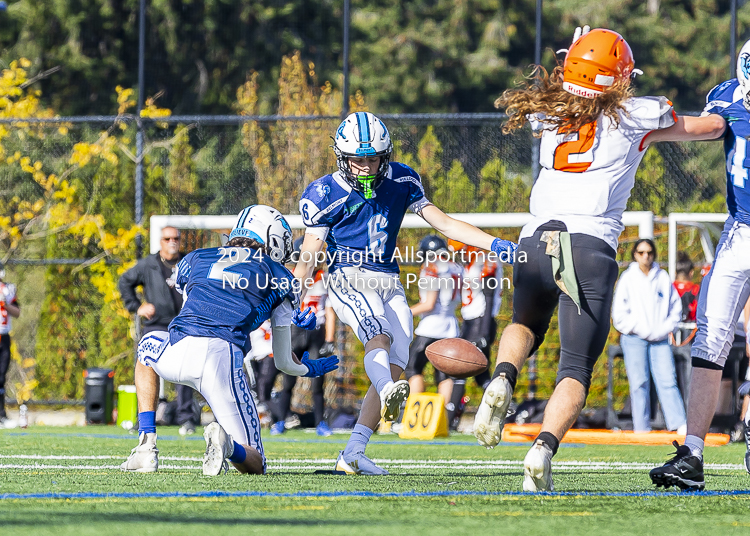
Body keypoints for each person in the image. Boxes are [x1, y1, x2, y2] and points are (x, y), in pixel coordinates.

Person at [472, 26, 726, 491]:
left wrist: (580, 62)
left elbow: (581, 90)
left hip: (535, 239)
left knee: (523, 323)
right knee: (574, 368)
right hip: (588, 246)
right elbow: (707, 127)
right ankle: (543, 447)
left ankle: (503, 376)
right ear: (618, 79)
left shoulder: (547, 113)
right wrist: (731, 110)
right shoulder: (632, 115)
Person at [294, 111, 516, 475]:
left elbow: (442, 221)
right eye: (357, 159)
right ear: (342, 156)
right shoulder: (323, 193)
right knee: (377, 335)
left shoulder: (401, 178)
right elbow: (309, 254)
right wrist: (293, 295)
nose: (365, 167)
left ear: (385, 155)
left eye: (373, 158)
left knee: (396, 361)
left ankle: (353, 451)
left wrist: (494, 243)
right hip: (347, 275)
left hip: (387, 276)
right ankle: (385, 393)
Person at [121, 205, 339, 475]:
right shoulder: (281, 277)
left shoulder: (197, 257)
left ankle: (146, 446)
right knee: (254, 463)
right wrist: (307, 368)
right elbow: (283, 361)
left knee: (147, 346)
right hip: (221, 360)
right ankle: (226, 445)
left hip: (178, 352)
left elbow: (187, 289)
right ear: (271, 239)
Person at [648, 39, 750, 492]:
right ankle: (692, 454)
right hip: (740, 229)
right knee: (709, 333)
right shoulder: (730, 95)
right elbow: (708, 127)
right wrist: (646, 129)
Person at [118, 225, 199, 436]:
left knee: (185, 371)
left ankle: (186, 419)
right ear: (160, 241)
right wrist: (137, 307)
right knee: (147, 368)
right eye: (167, 238)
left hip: (183, 323)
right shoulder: (149, 265)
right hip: (156, 324)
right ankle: (144, 419)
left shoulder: (188, 262)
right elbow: (125, 281)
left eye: (176, 238)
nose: (172, 241)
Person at [611, 239, 686, 434]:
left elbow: (675, 308)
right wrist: (638, 328)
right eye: (641, 252)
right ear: (635, 255)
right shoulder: (628, 278)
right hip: (634, 339)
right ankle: (641, 428)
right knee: (639, 383)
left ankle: (678, 424)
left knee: (668, 380)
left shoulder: (662, 277)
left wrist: (663, 329)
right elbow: (619, 314)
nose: (646, 256)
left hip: (660, 340)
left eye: (649, 252)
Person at [269, 237, 336, 437]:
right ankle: (280, 420)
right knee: (288, 379)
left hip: (316, 333)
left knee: (318, 381)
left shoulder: (324, 278)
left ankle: (320, 423)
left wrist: (330, 340)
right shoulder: (291, 277)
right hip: (295, 332)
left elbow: (330, 311)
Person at [404, 235, 463, 413]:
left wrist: (404, 313)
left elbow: (428, 304)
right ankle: (442, 418)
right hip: (451, 326)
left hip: (431, 326)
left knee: (413, 368)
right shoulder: (456, 268)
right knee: (444, 374)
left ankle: (414, 414)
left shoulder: (432, 268)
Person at [448, 239, 501, 430]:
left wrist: (485, 331)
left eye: (461, 251)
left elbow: (488, 295)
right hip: (471, 322)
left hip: (482, 321)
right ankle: (506, 409)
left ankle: (449, 420)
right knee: (482, 377)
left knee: (460, 370)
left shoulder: (485, 260)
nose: (459, 256)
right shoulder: (470, 263)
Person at [0, 262, 20, 429]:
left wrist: (4, 303)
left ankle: (1, 416)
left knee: (1, 377)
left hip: (4, 336)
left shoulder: (8, 289)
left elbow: (17, 312)